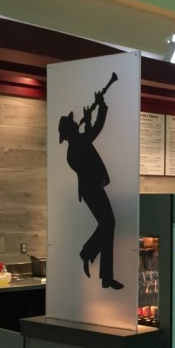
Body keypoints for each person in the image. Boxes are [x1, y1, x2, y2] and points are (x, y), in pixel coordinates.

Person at [58, 74, 123, 290]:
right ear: (70, 131)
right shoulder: (77, 144)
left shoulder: (75, 145)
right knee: (108, 224)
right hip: (92, 190)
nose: (75, 122)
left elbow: (89, 136)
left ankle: (105, 276)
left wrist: (87, 121)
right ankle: (88, 254)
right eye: (73, 123)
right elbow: (97, 129)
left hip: (91, 190)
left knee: (108, 225)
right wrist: (100, 105)